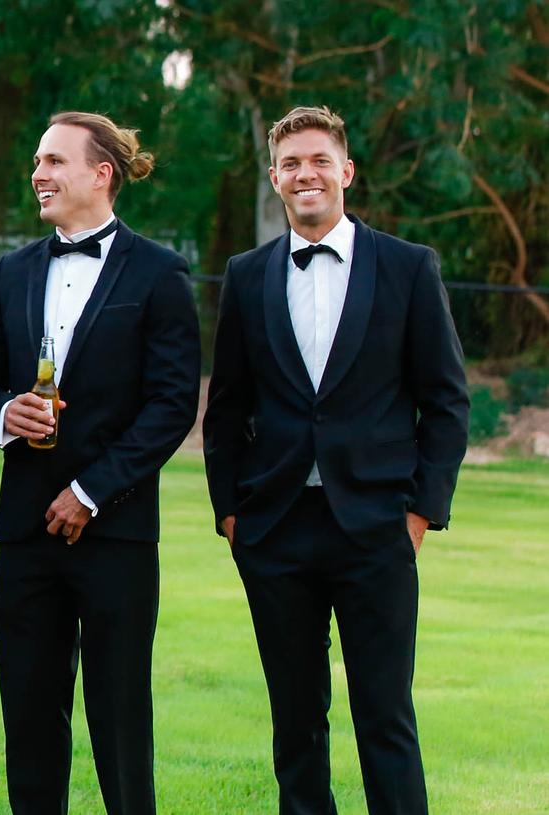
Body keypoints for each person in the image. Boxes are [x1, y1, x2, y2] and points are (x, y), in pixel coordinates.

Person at [203, 105, 469, 815]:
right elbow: (226, 407)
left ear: (345, 171)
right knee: (295, 722)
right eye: (291, 163)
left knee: (385, 717)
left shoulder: (409, 268)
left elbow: (445, 401)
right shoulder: (248, 274)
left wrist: (419, 512)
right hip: (275, 527)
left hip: (377, 528)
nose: (305, 173)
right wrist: (231, 514)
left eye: (319, 159)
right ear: (275, 178)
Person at [0, 111, 200, 815]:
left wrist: (92, 490)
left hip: (118, 536)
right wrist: (6, 414)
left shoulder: (159, 274)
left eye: (55, 161)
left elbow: (172, 403)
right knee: (29, 720)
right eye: (37, 160)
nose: (39, 173)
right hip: (26, 535)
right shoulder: (13, 272)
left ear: (102, 174)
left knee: (121, 723)